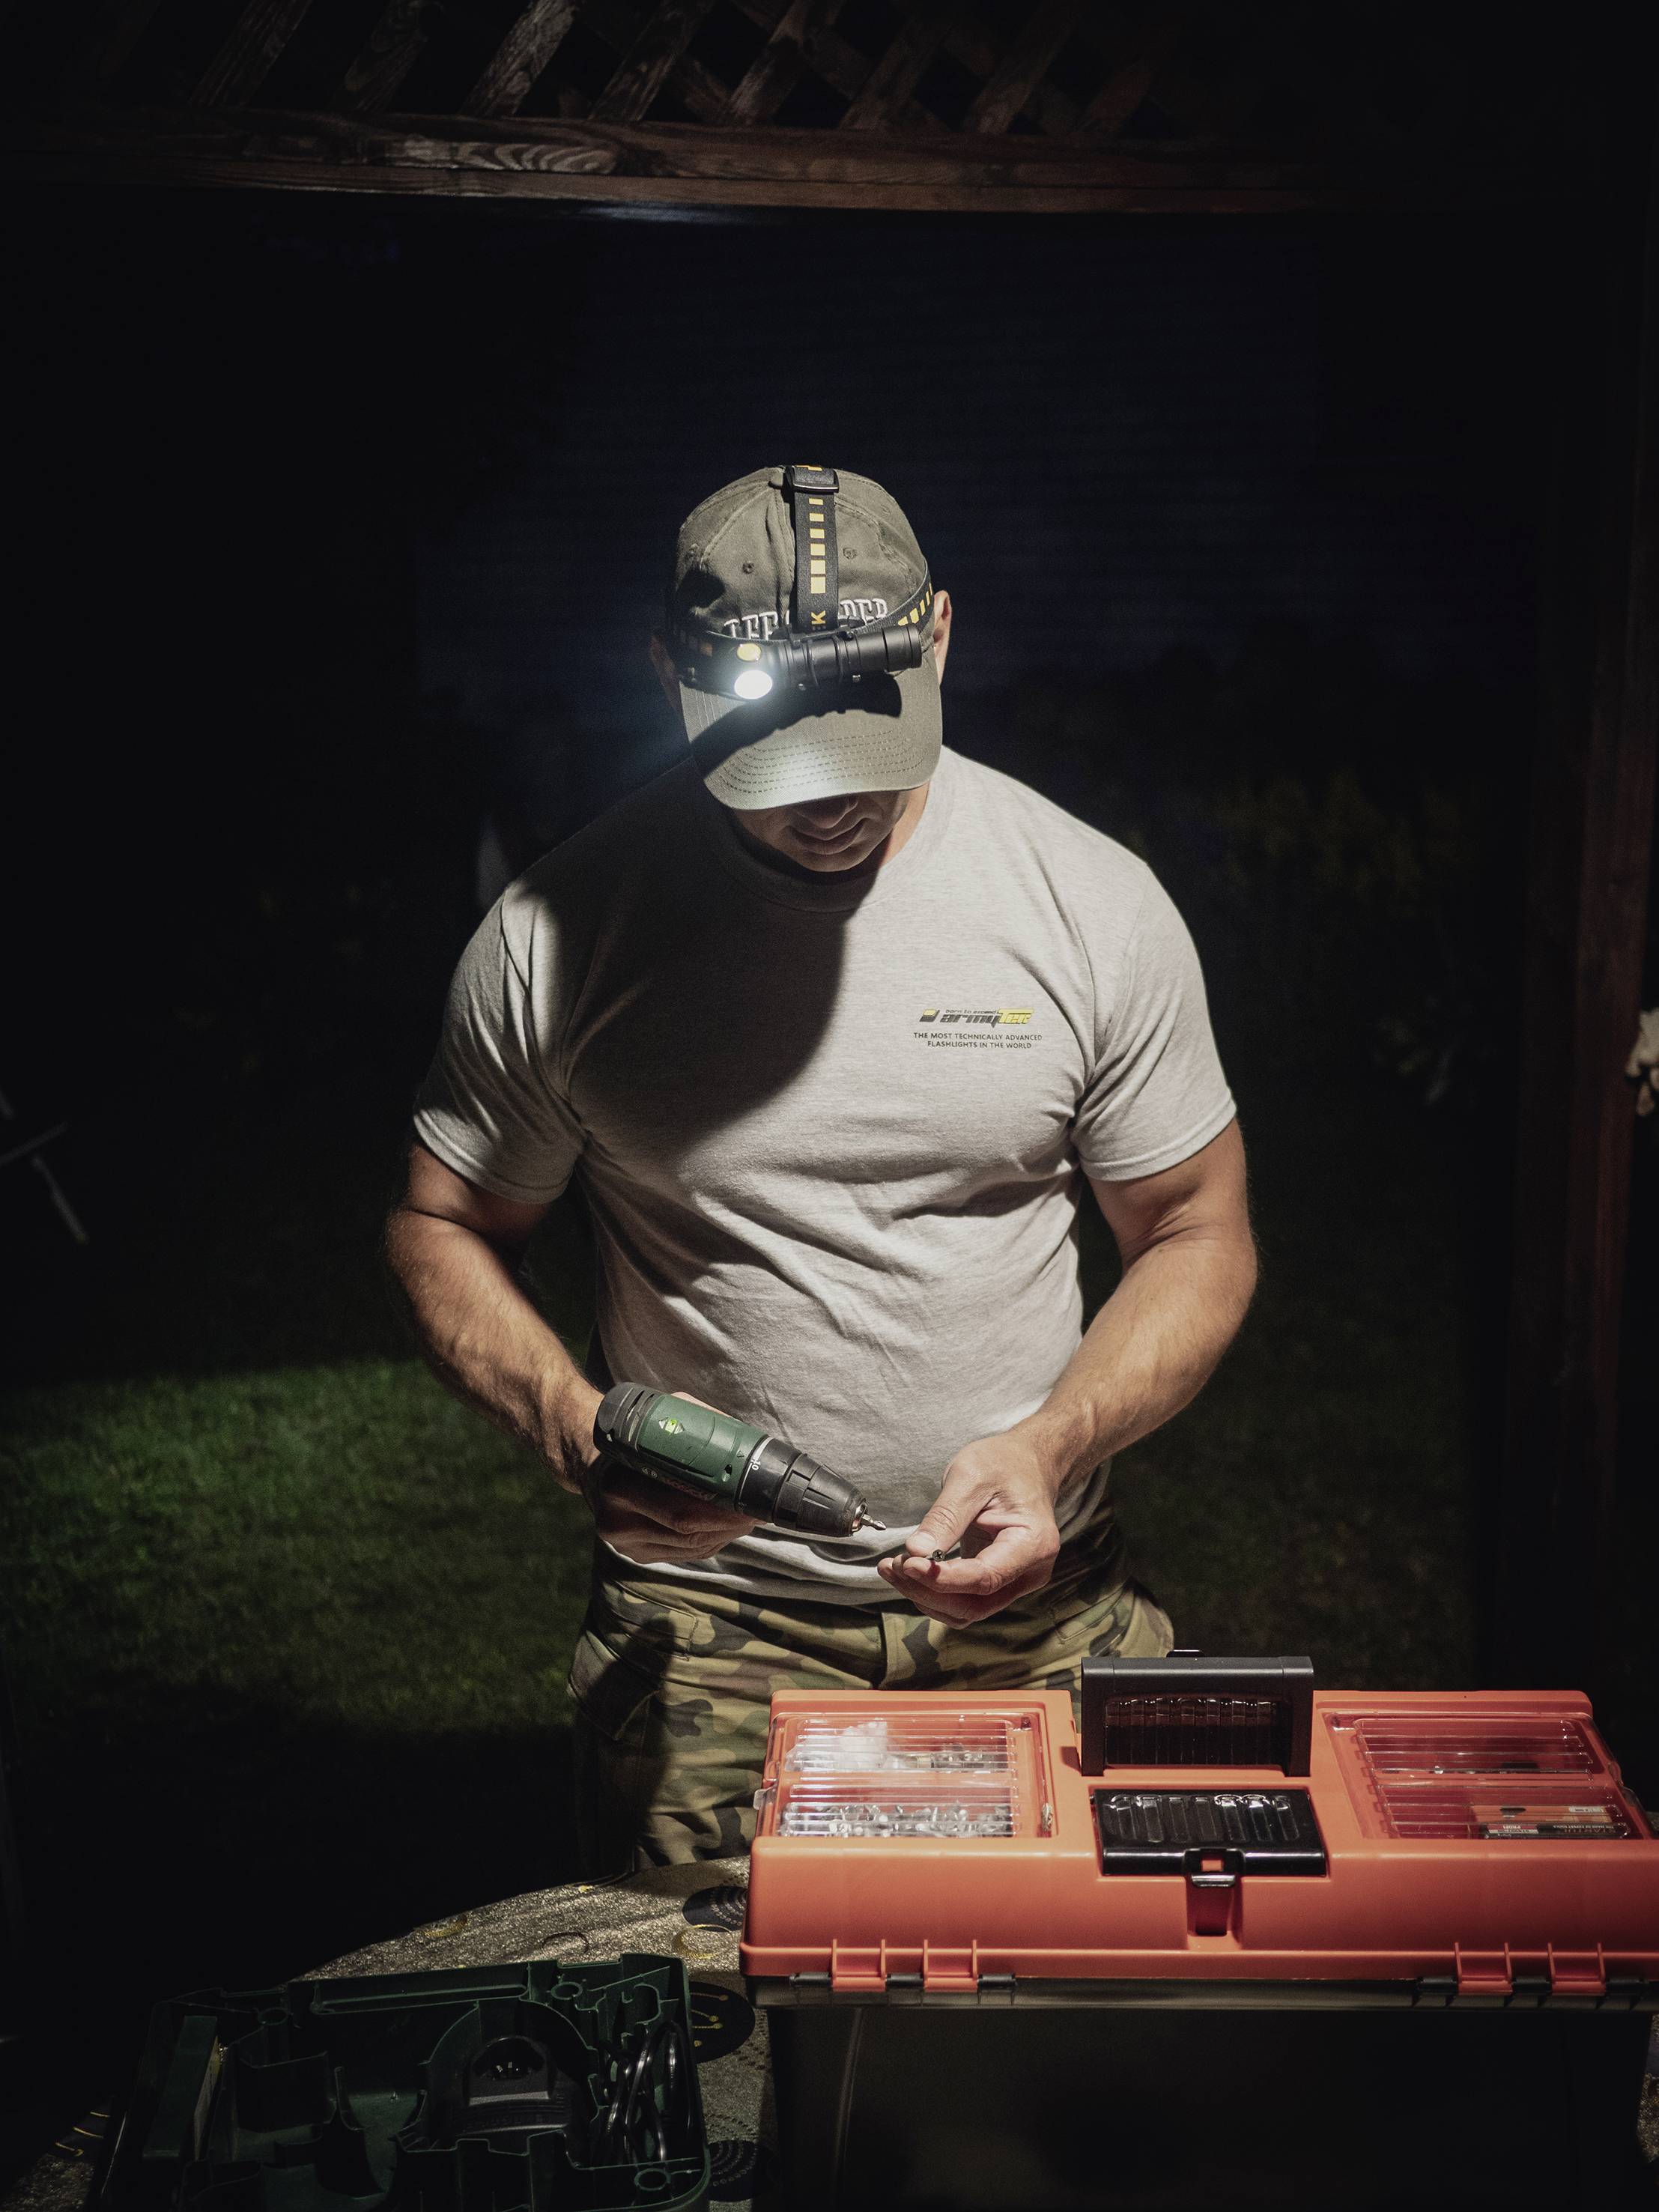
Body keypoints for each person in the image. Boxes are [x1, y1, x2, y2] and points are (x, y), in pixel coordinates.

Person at [386, 464, 1257, 1872]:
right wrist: (566, 1416)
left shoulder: (1086, 901)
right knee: (716, 2052)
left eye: (871, 733)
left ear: (942, 637)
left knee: (1089, 2018)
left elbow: (1198, 1229)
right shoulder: (565, 933)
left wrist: (1054, 1446)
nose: (836, 798)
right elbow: (443, 1223)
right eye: (778, 751)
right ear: (671, 671)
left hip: (1041, 1605)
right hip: (716, 1626)